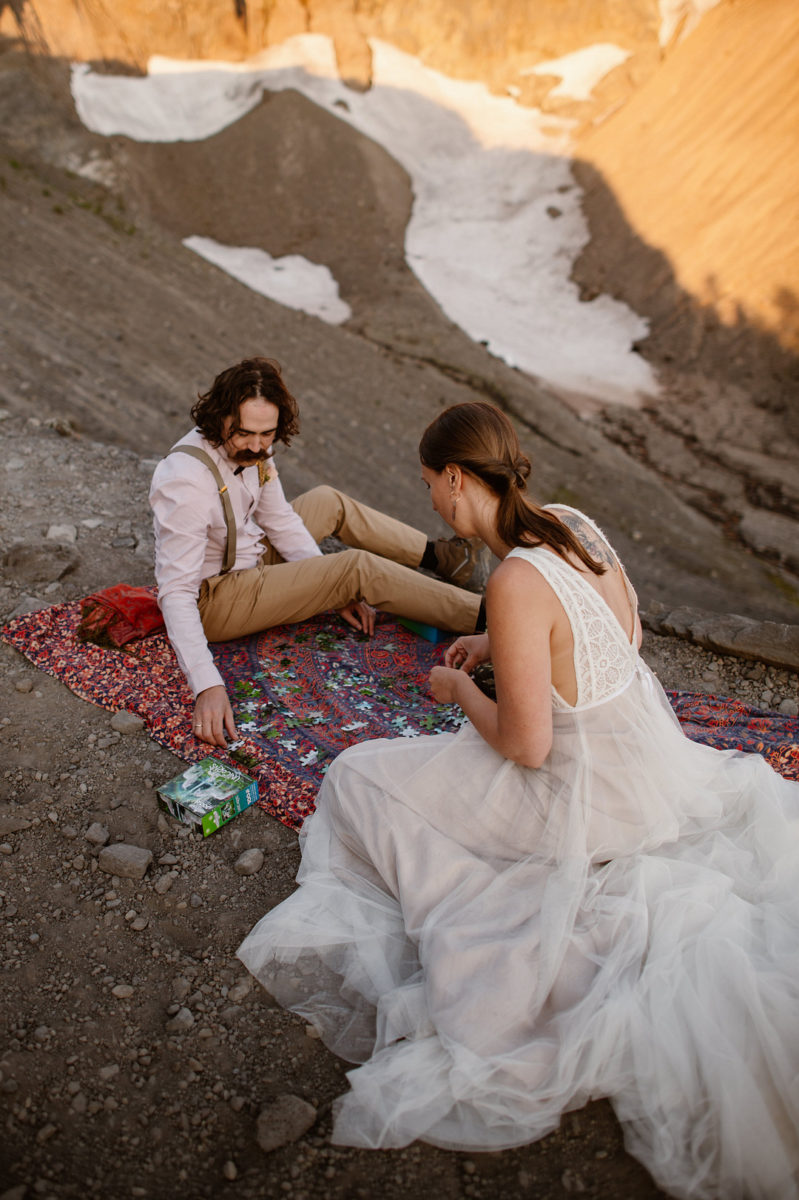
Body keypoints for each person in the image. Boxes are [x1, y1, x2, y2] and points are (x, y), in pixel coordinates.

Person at [237, 400, 799, 1200]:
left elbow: (527, 747)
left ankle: (483, 913)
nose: (430, 499)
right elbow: (617, 635)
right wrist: (501, 644)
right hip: (649, 767)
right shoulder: (571, 525)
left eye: (430, 482)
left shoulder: (512, 578)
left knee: (360, 775)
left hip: (581, 797)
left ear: (459, 479)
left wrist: (461, 685)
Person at [149, 358, 487, 747]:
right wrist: (206, 685)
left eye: (267, 434)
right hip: (216, 596)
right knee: (354, 568)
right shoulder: (185, 481)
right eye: (244, 433)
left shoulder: (257, 449)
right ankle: (489, 617)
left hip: (252, 556)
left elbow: (279, 519)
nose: (258, 445)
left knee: (327, 501)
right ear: (219, 417)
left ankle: (445, 558)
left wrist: (322, 584)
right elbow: (175, 591)